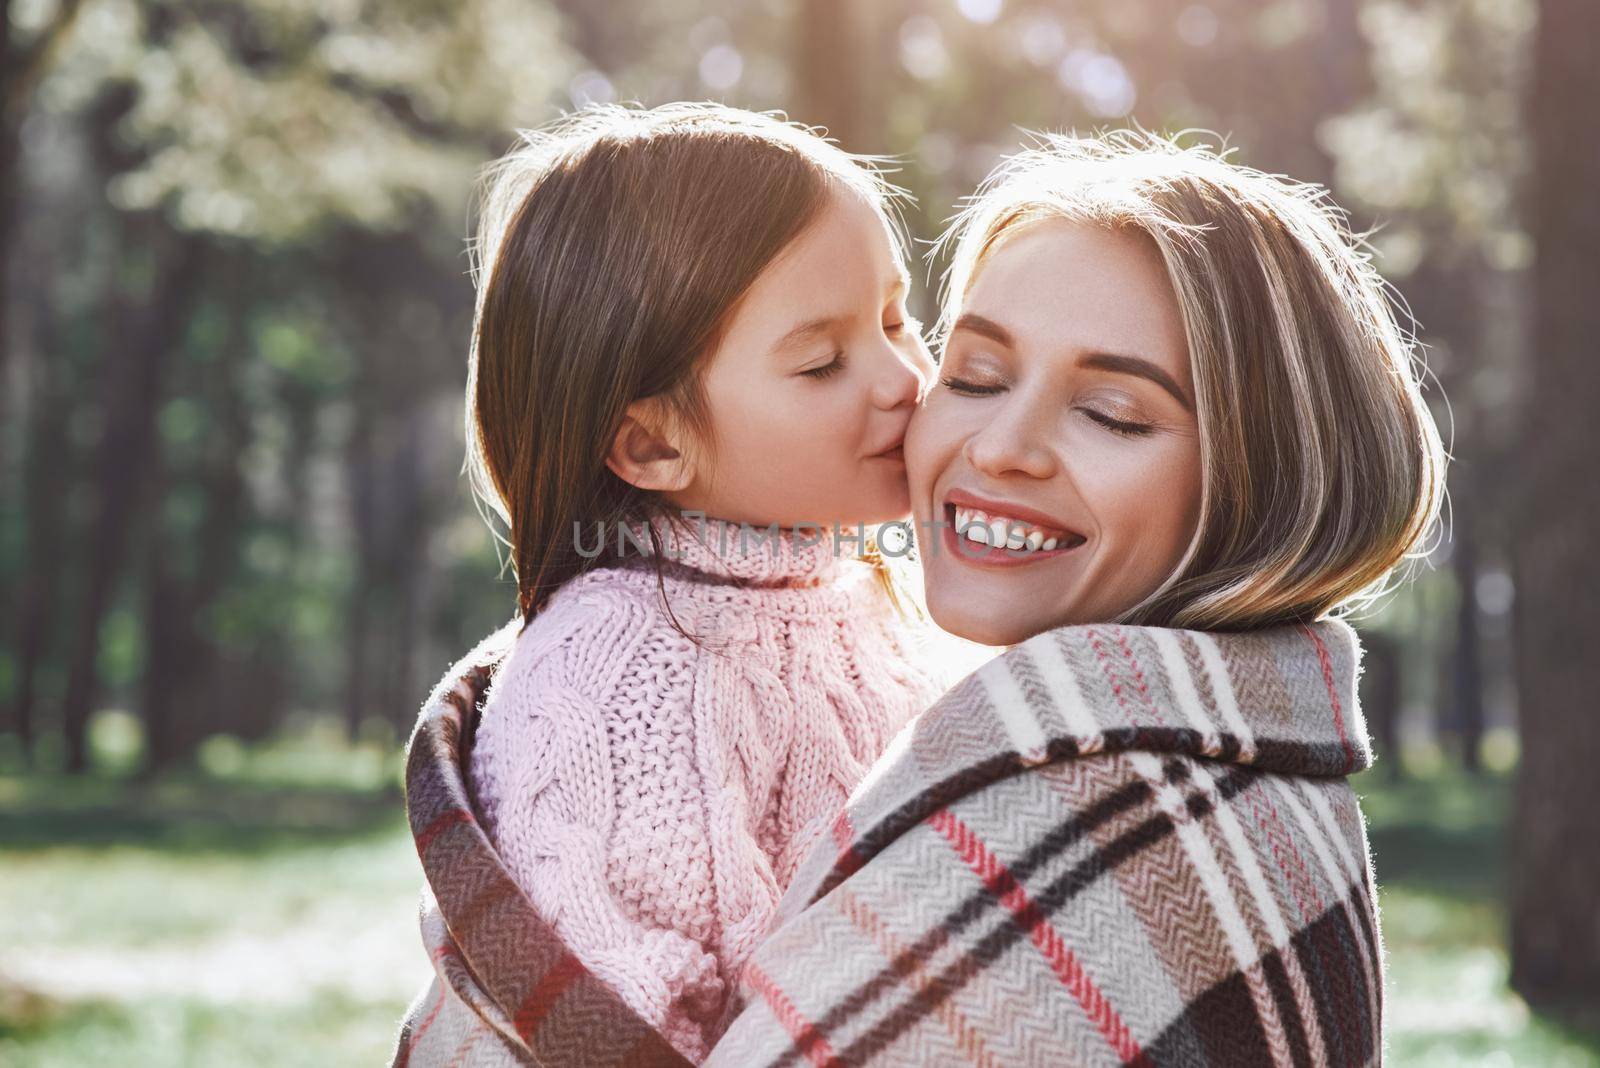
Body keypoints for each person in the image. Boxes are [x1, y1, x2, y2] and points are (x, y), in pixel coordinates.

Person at [703, 129, 1444, 1066]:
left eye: (1113, 413)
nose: (1003, 444)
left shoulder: (1089, 821)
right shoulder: (1238, 776)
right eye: (976, 375)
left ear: (1267, 482)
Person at [391, 102, 968, 1065]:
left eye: (897, 318)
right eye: (823, 362)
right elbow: (617, 1022)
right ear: (653, 440)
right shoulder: (620, 677)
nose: (904, 378)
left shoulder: (863, 594)